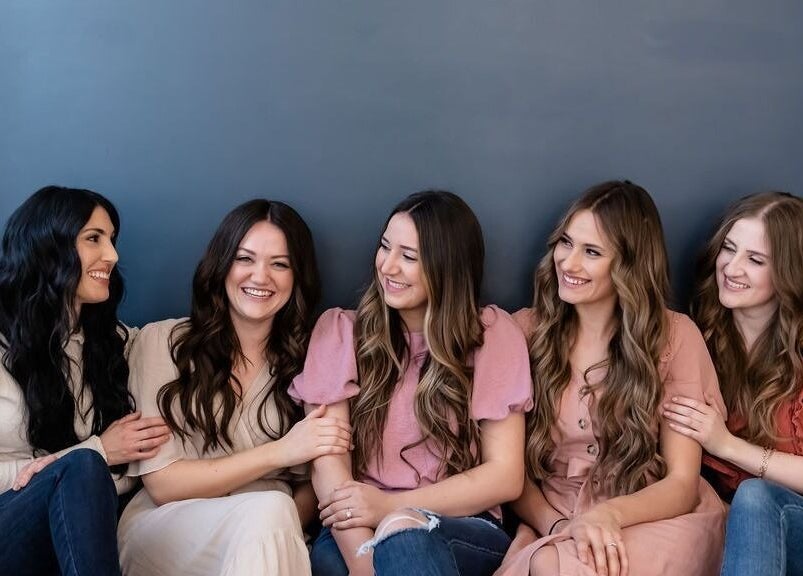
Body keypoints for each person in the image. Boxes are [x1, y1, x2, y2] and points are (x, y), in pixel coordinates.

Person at [291, 190, 533, 576]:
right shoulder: (340, 333)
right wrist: (363, 561)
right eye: (385, 247)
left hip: (460, 524)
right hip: (353, 525)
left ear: (446, 267)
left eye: (408, 256)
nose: (387, 266)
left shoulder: (492, 336)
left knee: (406, 540)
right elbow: (328, 464)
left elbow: (505, 476)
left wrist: (389, 510)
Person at [498, 180, 726, 576]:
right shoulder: (523, 332)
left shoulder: (675, 337)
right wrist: (557, 525)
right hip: (553, 518)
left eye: (591, 252)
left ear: (629, 265)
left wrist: (609, 515)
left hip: (653, 518)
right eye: (566, 243)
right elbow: (505, 468)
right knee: (548, 563)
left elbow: (682, 481)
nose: (568, 263)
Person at [117, 199, 351, 576]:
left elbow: (311, 488)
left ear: (297, 276)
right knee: (272, 508)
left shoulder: (311, 359)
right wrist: (279, 453)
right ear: (221, 265)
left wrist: (277, 524)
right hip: (167, 529)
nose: (261, 277)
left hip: (269, 535)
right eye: (245, 259)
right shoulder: (163, 343)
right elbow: (163, 484)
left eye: (280, 264)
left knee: (273, 513)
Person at [0, 185, 170, 576]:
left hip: (71, 542)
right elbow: (95, 465)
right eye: (94, 238)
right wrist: (97, 451)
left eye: (112, 240)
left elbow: (119, 476)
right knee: (83, 467)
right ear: (47, 245)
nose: (112, 255)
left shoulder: (116, 344)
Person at [662, 191, 803, 575]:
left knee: (755, 497)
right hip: (728, 526)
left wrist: (726, 445)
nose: (732, 267)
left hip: (795, 526)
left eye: (755, 260)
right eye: (729, 249)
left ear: (788, 273)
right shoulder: (693, 338)